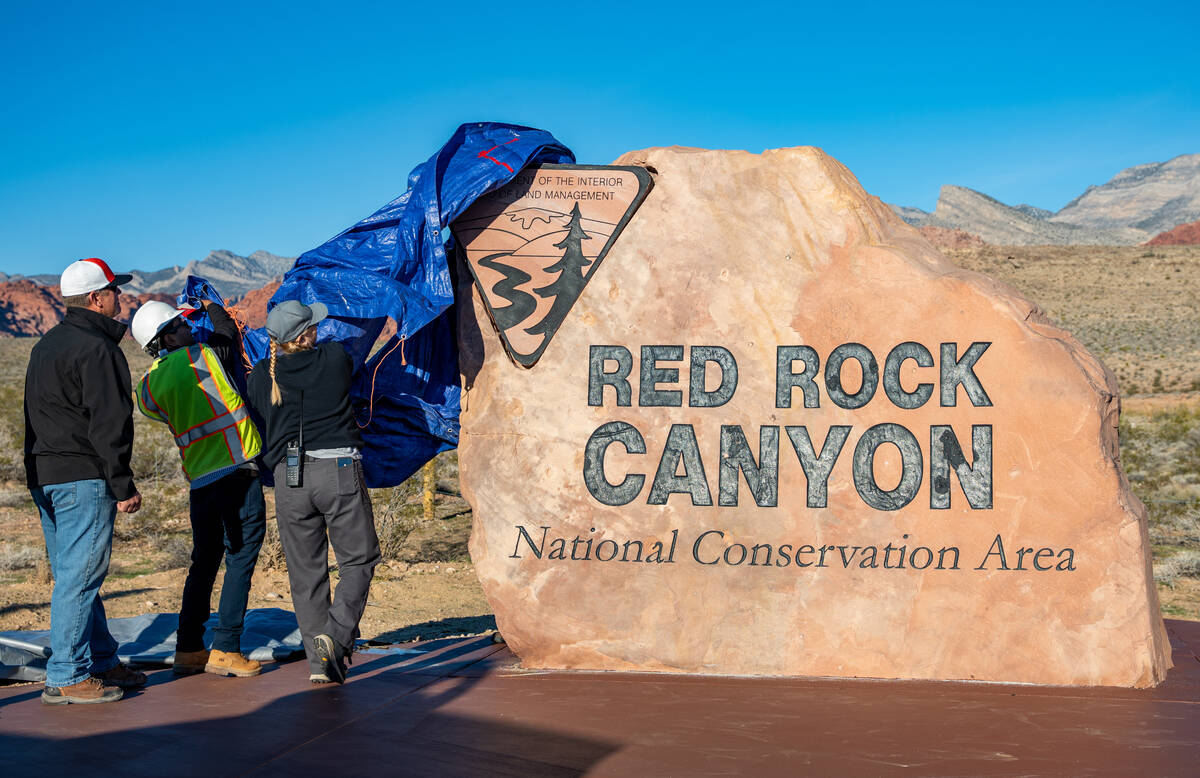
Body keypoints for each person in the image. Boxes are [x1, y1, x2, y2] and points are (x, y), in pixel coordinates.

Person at [25, 258, 146, 705]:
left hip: (46, 476)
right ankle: (67, 675)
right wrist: (122, 484)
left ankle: (101, 660)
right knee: (78, 580)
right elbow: (110, 423)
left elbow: (32, 417)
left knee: (74, 575)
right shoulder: (98, 349)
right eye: (114, 289)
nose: (120, 296)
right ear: (96, 298)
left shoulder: (45, 346)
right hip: (83, 479)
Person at [245, 300, 380, 684]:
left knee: (306, 573)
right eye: (313, 326)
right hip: (337, 472)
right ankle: (336, 637)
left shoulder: (261, 376)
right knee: (359, 559)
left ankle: (320, 666)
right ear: (305, 335)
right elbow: (351, 351)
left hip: (289, 480)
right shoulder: (334, 358)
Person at [131, 299, 266, 678]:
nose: (189, 328)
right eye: (180, 325)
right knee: (241, 555)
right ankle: (226, 647)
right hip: (236, 470)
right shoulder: (202, 357)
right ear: (168, 337)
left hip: (200, 483)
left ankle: (189, 648)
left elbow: (155, 411)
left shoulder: (147, 387)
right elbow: (226, 335)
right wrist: (212, 306)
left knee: (204, 562)